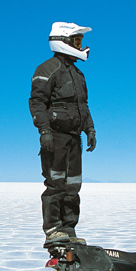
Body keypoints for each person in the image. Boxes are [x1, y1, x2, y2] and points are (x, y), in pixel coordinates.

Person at [29, 22, 96, 245]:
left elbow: (82, 106)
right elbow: (37, 102)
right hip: (55, 138)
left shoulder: (78, 74)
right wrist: (44, 131)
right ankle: (53, 229)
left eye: (80, 41)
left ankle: (69, 229)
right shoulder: (47, 69)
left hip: (73, 138)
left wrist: (90, 129)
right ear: (63, 42)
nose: (80, 45)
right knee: (55, 184)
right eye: (76, 41)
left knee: (73, 186)